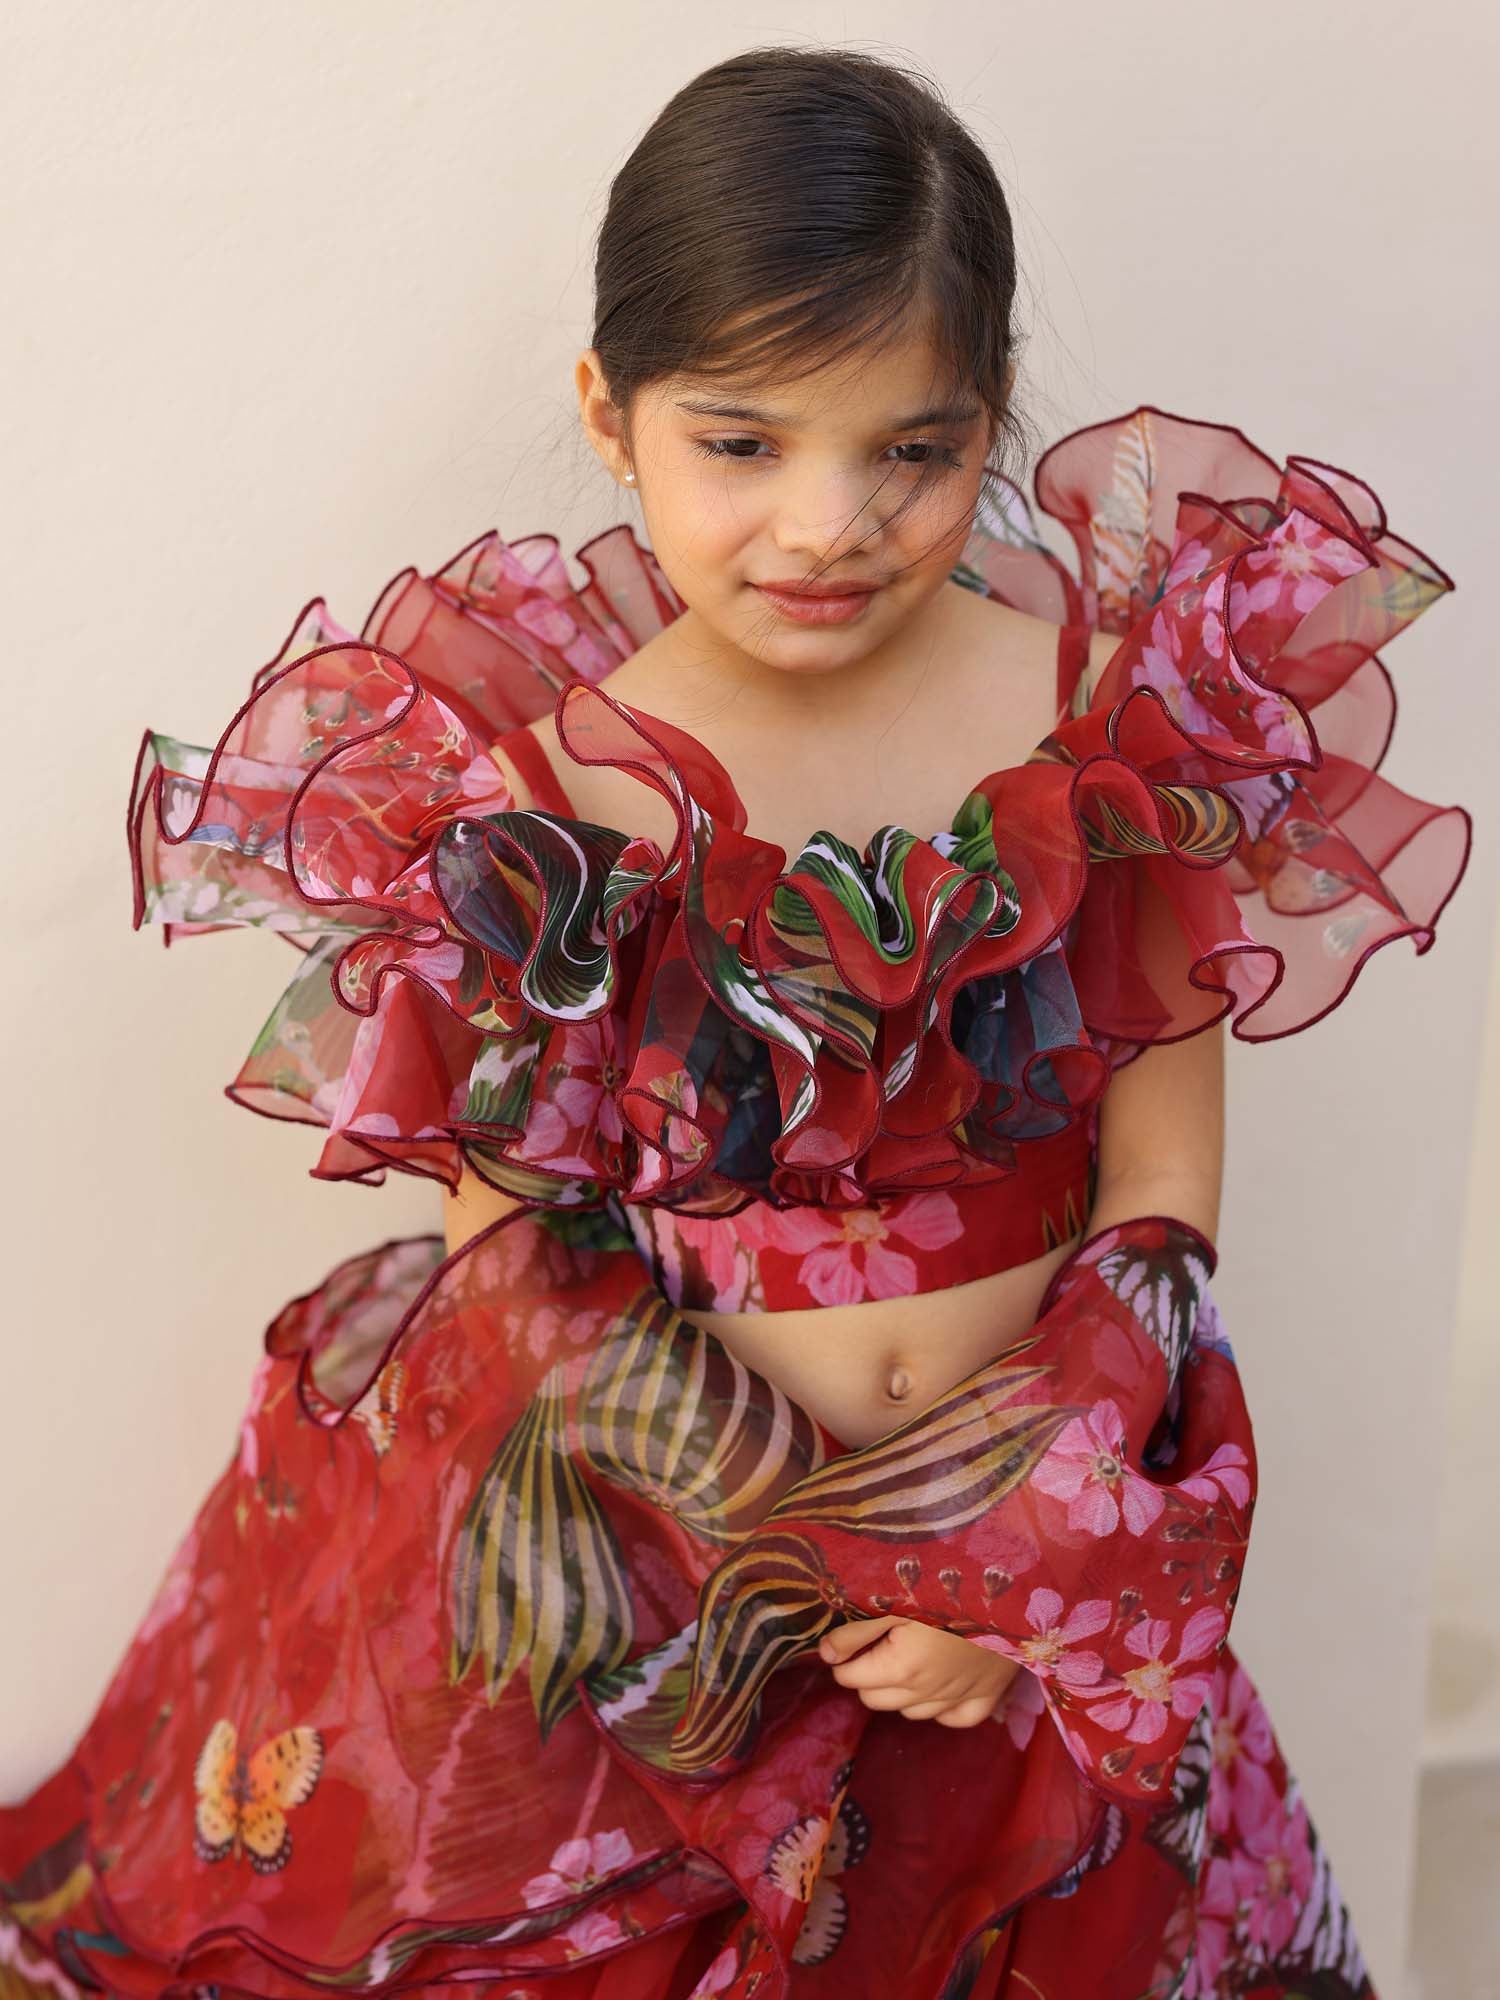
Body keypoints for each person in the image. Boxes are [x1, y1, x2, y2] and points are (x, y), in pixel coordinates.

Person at [0, 43, 1473, 2000]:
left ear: (995, 413)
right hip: (683, 1588)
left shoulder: (1108, 731)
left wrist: (1010, 1568)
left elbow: (1163, 1186)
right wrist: (782, 1554)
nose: (827, 524)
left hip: (1009, 1594)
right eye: (745, 442)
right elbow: (509, 1244)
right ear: (613, 418)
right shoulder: (544, 805)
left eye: (912, 451)